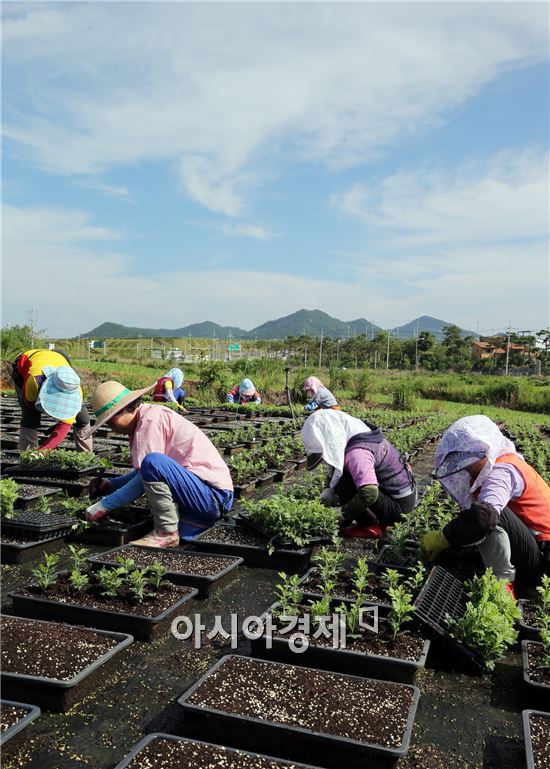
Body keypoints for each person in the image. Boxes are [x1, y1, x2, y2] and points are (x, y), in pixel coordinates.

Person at [84, 380, 234, 547]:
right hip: (206, 497)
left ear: (126, 409)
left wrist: (104, 504)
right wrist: (110, 485)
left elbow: (148, 470)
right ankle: (179, 526)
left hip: (213, 496)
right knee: (151, 465)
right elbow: (145, 473)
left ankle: (166, 533)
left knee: (152, 463)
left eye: (111, 421)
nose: (112, 429)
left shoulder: (149, 421)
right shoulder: (145, 418)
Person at [421, 415, 550, 592]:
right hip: (534, 545)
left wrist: (444, 537)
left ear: (486, 447)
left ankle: (503, 585)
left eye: (469, 457)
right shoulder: (496, 464)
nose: (465, 466)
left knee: (486, 514)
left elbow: (484, 519)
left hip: (544, 559)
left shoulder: (502, 471)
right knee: (481, 514)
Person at [301, 409, 416, 538]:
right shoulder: (356, 432)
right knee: (344, 478)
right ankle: (370, 518)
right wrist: (329, 489)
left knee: (344, 484)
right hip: (400, 496)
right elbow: (337, 465)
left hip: (398, 508)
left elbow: (370, 492)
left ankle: (369, 525)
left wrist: (342, 513)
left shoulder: (358, 452)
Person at [11, 348, 92, 452]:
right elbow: (31, 405)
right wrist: (38, 454)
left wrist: (44, 450)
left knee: (82, 418)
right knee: (30, 417)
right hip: (25, 364)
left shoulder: (74, 387)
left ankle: (86, 456)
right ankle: (28, 459)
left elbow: (63, 428)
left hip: (56, 359)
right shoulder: (34, 381)